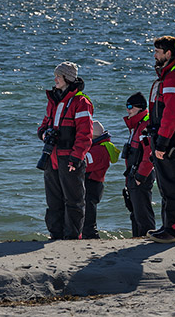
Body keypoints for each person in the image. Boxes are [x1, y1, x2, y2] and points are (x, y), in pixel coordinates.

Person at [38, 62, 93, 240]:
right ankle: (55, 235)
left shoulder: (81, 102)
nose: (55, 79)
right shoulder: (53, 100)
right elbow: (44, 124)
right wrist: (44, 134)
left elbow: (85, 135)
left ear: (67, 79)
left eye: (58, 77)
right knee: (53, 200)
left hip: (69, 158)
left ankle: (72, 237)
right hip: (51, 156)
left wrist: (76, 158)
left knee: (74, 201)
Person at [147, 36, 175, 243]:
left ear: (168, 53)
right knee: (165, 185)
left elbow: (172, 113)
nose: (154, 55)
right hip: (163, 138)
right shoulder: (166, 77)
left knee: (173, 184)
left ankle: (174, 232)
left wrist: (163, 142)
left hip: (171, 140)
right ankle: (167, 227)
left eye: (158, 51)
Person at [122, 92, 155, 237]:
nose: (128, 109)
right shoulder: (136, 125)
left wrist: (140, 177)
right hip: (133, 173)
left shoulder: (145, 126)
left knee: (142, 212)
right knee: (135, 211)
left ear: (140, 108)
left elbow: (149, 155)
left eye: (130, 106)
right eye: (127, 106)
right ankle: (137, 238)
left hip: (141, 175)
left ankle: (146, 238)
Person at [82, 120, 118, 239]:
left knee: (88, 212)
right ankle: (87, 234)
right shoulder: (101, 147)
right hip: (95, 183)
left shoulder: (99, 150)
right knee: (87, 210)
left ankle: (91, 235)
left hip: (93, 183)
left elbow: (86, 162)